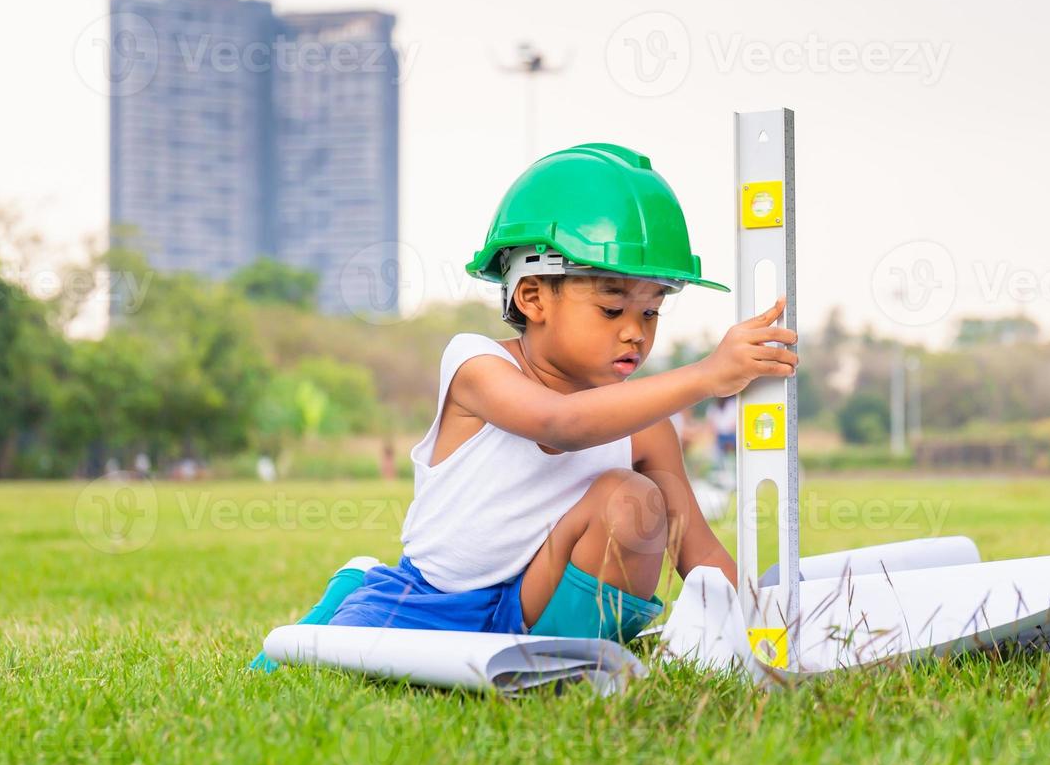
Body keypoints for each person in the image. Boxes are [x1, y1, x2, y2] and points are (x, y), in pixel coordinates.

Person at [251, 143, 796, 662]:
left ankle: (561, 668)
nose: (636, 332)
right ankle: (354, 588)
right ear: (531, 296)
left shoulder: (645, 427)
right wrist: (706, 376)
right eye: (612, 310)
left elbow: (695, 553)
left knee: (633, 501)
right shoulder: (477, 365)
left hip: (533, 607)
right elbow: (561, 424)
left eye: (651, 312)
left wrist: (766, 627)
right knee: (326, 653)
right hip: (434, 605)